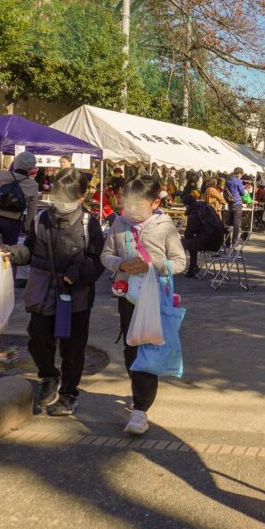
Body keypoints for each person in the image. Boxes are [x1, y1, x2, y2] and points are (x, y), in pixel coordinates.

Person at [0, 168, 105, 416]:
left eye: (69, 197)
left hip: (75, 294)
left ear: (81, 197)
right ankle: (49, 376)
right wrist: (11, 253)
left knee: (72, 346)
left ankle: (69, 393)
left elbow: (98, 260)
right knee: (38, 338)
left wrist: (77, 273)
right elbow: (29, 249)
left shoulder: (90, 224)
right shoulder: (41, 220)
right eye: (59, 194)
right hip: (43, 290)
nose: (62, 202)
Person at [102, 175, 187, 435]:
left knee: (147, 350)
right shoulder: (119, 223)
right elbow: (105, 255)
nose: (132, 210)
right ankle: (139, 395)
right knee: (131, 349)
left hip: (155, 299)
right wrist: (121, 265)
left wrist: (151, 267)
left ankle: (140, 410)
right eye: (128, 204)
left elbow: (180, 263)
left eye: (139, 205)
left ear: (153, 203)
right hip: (128, 298)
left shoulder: (164, 226)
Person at [181, 192, 224, 278]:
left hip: (209, 243)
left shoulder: (194, 213)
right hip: (219, 241)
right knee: (192, 242)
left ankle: (191, 265)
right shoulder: (208, 207)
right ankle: (193, 266)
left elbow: (189, 233)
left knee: (184, 242)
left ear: (187, 205)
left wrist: (187, 235)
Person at [225, 167, 246, 235]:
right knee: (236, 224)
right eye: (241, 174)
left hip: (230, 203)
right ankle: (235, 242)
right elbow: (243, 192)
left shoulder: (228, 180)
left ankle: (227, 242)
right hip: (237, 203)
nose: (241, 176)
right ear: (239, 173)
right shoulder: (238, 181)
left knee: (229, 223)